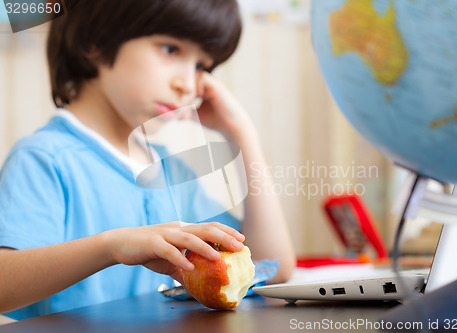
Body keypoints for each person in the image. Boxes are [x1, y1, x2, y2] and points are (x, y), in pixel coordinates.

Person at [0, 0, 295, 320]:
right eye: (171, 49)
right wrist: (112, 246)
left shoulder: (172, 170)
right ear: (95, 40)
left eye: (202, 67)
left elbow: (272, 264)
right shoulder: (44, 160)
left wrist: (242, 135)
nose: (187, 84)